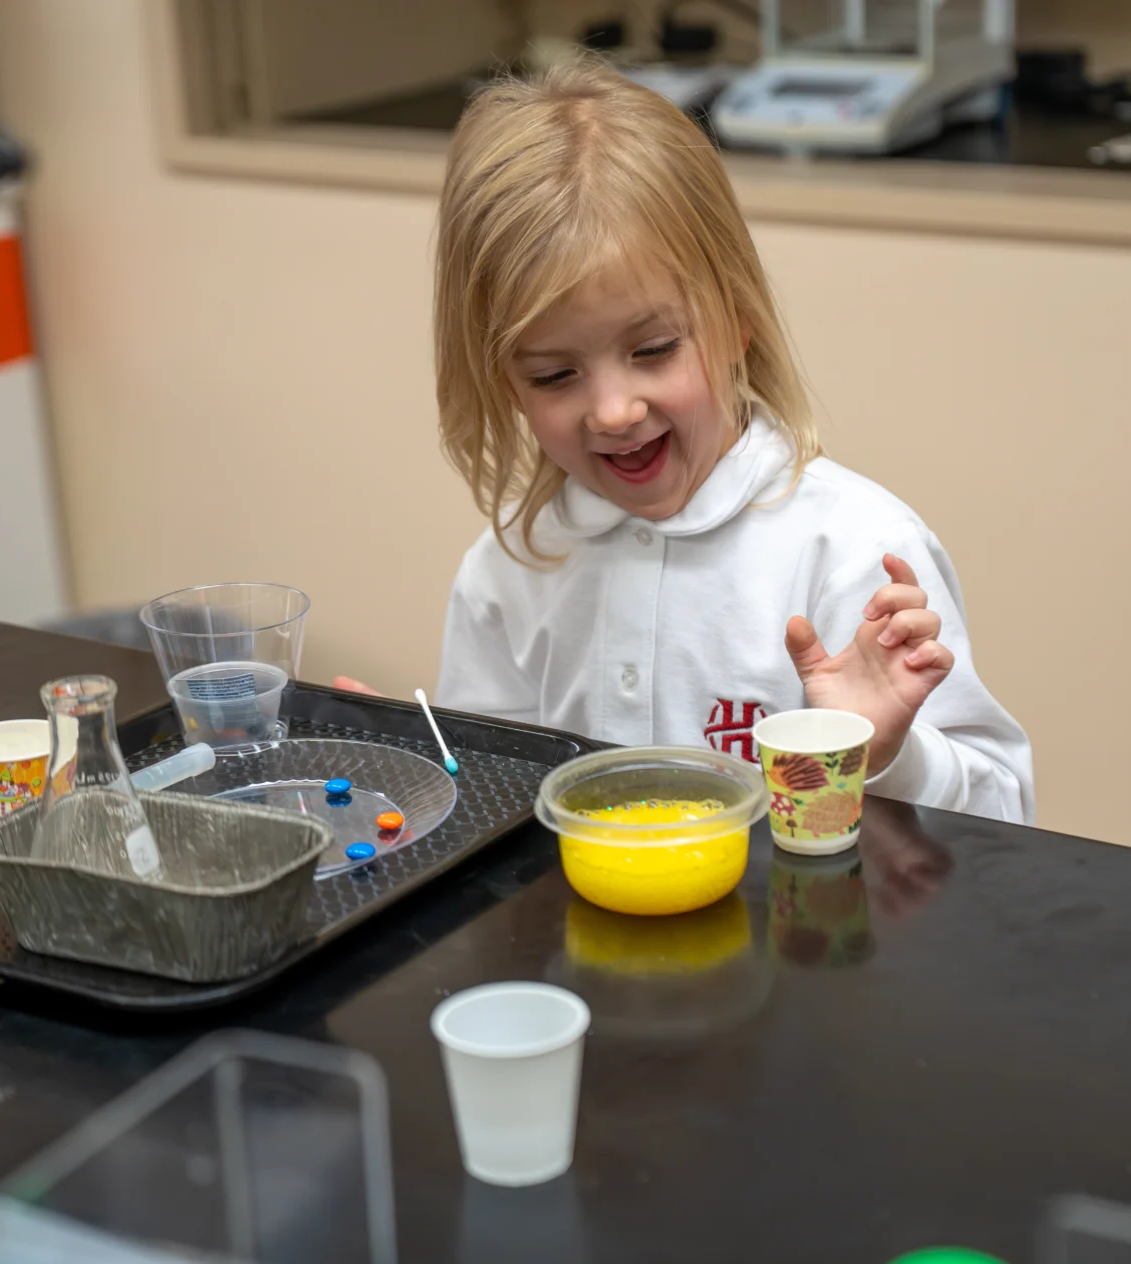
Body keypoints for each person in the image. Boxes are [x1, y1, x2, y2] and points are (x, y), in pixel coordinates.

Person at [336, 61, 1032, 822]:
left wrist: (885, 754)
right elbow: (496, 812)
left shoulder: (854, 551)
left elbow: (1006, 818)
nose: (612, 411)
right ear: (504, 381)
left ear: (738, 320)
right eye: (555, 374)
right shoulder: (511, 568)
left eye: (654, 349)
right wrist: (427, 777)